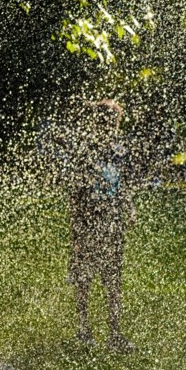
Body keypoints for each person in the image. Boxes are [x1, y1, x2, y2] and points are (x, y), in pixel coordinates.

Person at [65, 99, 136, 350]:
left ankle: (114, 334)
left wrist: (129, 206)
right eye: (106, 122)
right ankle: (84, 331)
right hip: (88, 220)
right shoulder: (85, 151)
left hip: (112, 220)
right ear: (97, 123)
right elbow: (75, 193)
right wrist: (76, 230)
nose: (110, 126)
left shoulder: (119, 151)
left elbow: (123, 184)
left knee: (113, 278)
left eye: (113, 122)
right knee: (84, 278)